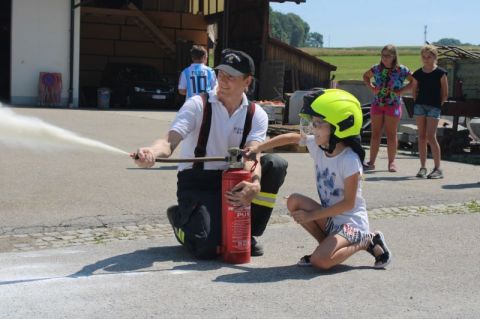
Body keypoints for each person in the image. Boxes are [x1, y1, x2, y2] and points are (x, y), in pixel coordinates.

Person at [132, 49, 288, 259]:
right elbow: (169, 141)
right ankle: (179, 218)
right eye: (220, 74)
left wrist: (256, 184)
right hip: (198, 181)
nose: (222, 81)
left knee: (276, 164)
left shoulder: (256, 114)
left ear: (247, 81)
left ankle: (245, 232)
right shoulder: (197, 104)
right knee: (207, 248)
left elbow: (253, 155)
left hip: (234, 178)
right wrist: (151, 151)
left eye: (230, 77)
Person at [245, 89, 391, 270]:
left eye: (319, 124)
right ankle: (325, 248)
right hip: (331, 220)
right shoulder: (320, 146)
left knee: (320, 262)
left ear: (340, 126)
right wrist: (259, 147)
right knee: (294, 201)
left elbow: (348, 204)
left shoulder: (350, 160)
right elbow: (292, 137)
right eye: (313, 123)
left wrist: (311, 216)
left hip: (352, 225)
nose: (313, 129)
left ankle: (366, 240)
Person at [363, 44, 414, 172]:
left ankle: (392, 162)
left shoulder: (402, 70)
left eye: (388, 56)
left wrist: (401, 90)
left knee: (391, 134)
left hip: (393, 104)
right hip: (377, 104)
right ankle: (371, 162)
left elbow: (415, 81)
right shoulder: (376, 68)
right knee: (375, 134)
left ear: (394, 56)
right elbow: (365, 76)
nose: (385, 58)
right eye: (383, 55)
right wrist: (372, 88)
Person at [411, 45, 448, 179]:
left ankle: (438, 168)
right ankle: (423, 167)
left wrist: (438, 105)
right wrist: (417, 102)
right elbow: (414, 91)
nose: (426, 59)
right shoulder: (417, 73)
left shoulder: (441, 73)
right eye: (424, 57)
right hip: (420, 106)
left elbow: (445, 92)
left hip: (434, 107)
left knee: (431, 136)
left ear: (435, 57)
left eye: (429, 56)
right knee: (421, 136)